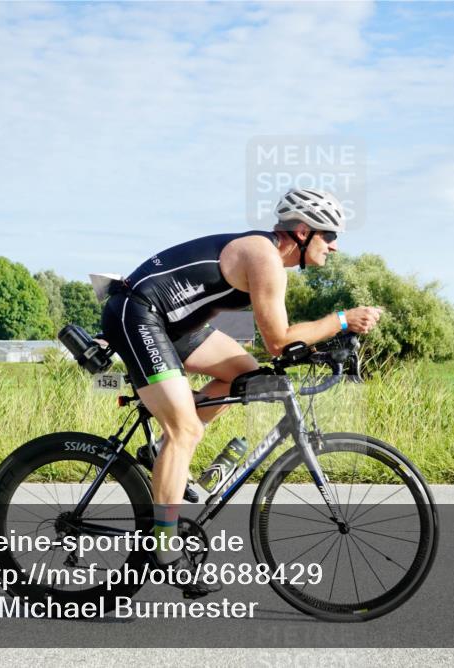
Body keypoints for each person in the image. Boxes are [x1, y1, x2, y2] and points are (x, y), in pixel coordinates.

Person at [100, 188, 382, 597]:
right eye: (329, 235)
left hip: (175, 324)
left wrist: (320, 350)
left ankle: (161, 448)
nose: (334, 246)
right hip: (138, 313)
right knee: (187, 432)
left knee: (247, 377)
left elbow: (279, 346)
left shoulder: (268, 256)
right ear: (303, 232)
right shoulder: (265, 257)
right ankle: (163, 548)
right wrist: (340, 320)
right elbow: (279, 340)